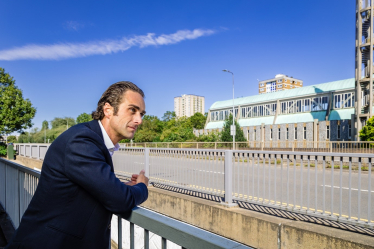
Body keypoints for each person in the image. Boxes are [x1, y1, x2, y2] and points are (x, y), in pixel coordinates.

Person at [6, 81, 149, 249]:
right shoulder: (82, 141)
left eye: (142, 114)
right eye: (132, 110)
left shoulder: (92, 140)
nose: (139, 120)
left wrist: (120, 186)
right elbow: (120, 200)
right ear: (108, 110)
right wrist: (141, 186)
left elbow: (89, 188)